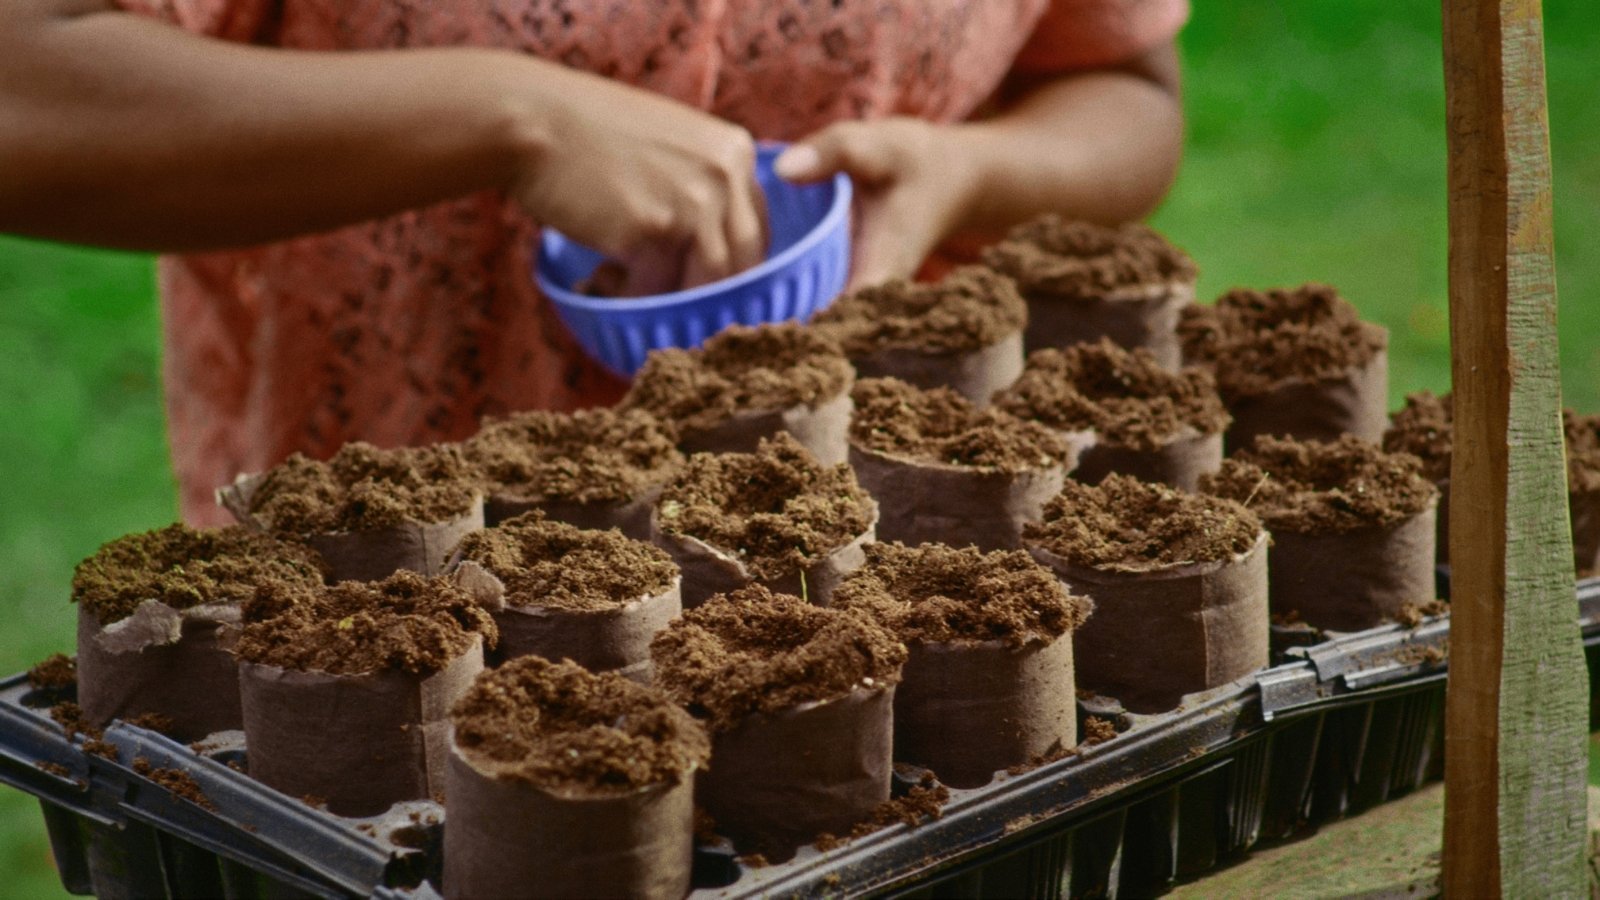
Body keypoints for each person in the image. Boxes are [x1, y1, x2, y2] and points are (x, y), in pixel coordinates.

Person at [0, 0, 1187, 525]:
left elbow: (1123, 86)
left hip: (893, 547)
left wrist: (961, 170)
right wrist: (501, 115)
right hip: (394, 587)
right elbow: (25, 86)